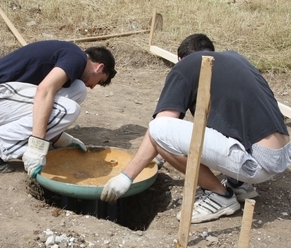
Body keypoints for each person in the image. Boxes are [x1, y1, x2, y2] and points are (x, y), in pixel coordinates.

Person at [100, 33, 291, 223]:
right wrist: (160, 157)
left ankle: (220, 196)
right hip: (280, 155)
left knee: (160, 130)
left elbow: (160, 129)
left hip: (256, 163)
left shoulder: (186, 66)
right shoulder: (235, 59)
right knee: (214, 123)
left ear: (180, 59)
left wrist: (126, 177)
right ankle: (239, 184)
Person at [0, 40, 116, 178]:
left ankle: (40, 139)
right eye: (100, 81)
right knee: (68, 109)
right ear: (100, 67)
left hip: (5, 96)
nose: (92, 86)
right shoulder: (77, 58)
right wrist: (36, 148)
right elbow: (45, 91)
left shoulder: (73, 55)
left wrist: (58, 138)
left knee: (78, 89)